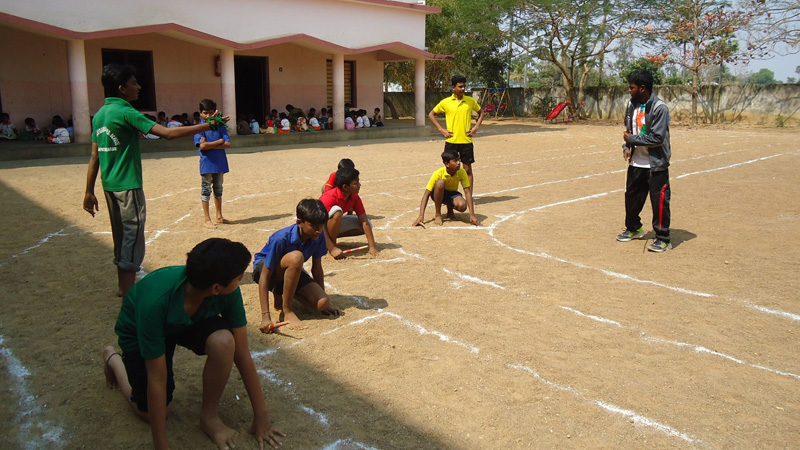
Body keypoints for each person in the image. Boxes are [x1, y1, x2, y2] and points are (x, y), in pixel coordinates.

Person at [101, 238, 285, 450]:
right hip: (140, 327)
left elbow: (242, 353)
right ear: (216, 287)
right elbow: (157, 378)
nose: (240, 281)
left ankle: (210, 417)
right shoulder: (154, 301)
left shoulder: (226, 292)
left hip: (188, 319)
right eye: (237, 278)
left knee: (224, 341)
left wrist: (262, 417)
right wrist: (162, 446)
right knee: (152, 413)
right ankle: (113, 359)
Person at [82, 63, 229, 297]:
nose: (138, 87)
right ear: (121, 88)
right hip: (128, 185)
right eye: (133, 83)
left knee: (121, 235)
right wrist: (209, 124)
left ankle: (123, 286)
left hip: (109, 185)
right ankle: (128, 290)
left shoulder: (100, 115)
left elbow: (94, 155)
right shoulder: (126, 112)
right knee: (133, 234)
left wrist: (89, 191)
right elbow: (168, 134)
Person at [253, 199, 343, 330]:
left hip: (290, 270)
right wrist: (265, 316)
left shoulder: (318, 236)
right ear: (299, 223)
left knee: (322, 303)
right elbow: (265, 276)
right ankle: (287, 310)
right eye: (314, 226)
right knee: (296, 257)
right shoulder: (281, 238)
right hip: (264, 269)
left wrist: (324, 298)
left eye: (321, 225)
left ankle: (282, 295)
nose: (318, 230)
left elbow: (317, 269)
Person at [618, 70, 672, 252]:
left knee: (659, 202)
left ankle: (663, 238)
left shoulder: (660, 108)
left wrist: (631, 140)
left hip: (656, 165)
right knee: (631, 199)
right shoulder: (631, 105)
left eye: (631, 87)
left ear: (642, 88)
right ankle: (634, 228)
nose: (629, 90)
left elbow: (657, 138)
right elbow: (629, 130)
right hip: (636, 163)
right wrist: (627, 147)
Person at [428, 74, 485, 192]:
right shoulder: (445, 102)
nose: (463, 89)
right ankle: (448, 194)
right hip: (451, 140)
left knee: (467, 169)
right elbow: (431, 114)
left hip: (466, 140)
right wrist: (441, 129)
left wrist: (476, 128)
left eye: (464, 86)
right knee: (450, 170)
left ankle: (469, 195)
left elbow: (481, 113)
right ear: (453, 87)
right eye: (460, 87)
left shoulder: (470, 101)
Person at [319, 166, 380, 259]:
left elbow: (364, 221)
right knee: (337, 212)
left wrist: (372, 247)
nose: (360, 185)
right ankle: (330, 244)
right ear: (345, 187)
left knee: (368, 225)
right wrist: (332, 248)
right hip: (318, 229)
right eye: (356, 183)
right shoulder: (328, 198)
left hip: (329, 226)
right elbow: (319, 225)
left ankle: (330, 241)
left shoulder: (354, 197)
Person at [412, 149, 481, 227]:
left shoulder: (462, 172)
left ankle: (450, 209)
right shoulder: (438, 173)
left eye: (459, 160)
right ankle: (438, 214)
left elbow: (467, 191)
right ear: (447, 164)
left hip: (452, 194)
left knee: (462, 205)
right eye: (455, 161)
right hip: (437, 194)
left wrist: (472, 215)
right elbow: (426, 194)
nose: (458, 163)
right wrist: (421, 216)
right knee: (440, 183)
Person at [195, 98, 232, 228]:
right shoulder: (200, 127)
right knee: (206, 189)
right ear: (200, 113)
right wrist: (218, 142)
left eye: (211, 113)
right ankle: (207, 219)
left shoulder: (220, 126)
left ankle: (219, 216)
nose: (208, 116)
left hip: (219, 162)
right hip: (207, 163)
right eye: (205, 113)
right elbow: (202, 147)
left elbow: (227, 143)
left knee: (218, 189)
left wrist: (209, 144)